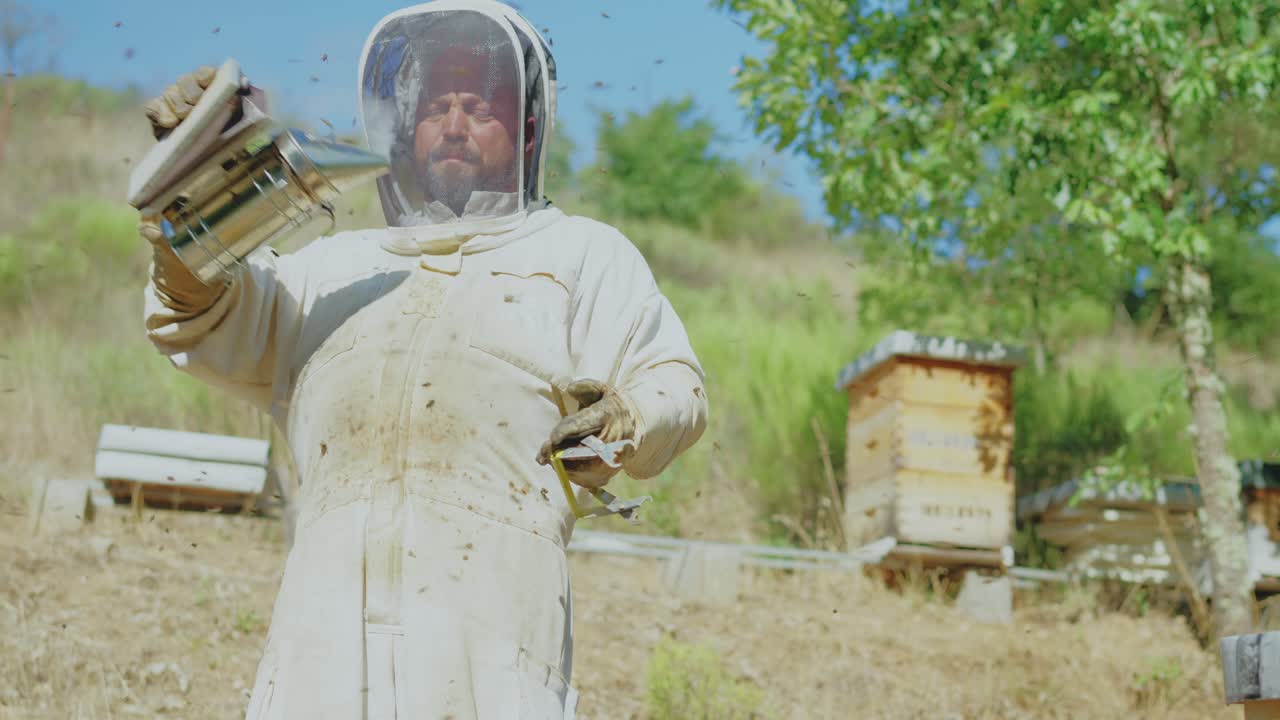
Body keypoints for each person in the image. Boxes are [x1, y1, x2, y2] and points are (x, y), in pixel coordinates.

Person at [137, 2, 709, 718]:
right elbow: (198, 312)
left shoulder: (581, 254)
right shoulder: (330, 267)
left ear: (528, 129)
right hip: (322, 631)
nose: (456, 122)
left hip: (490, 633)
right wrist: (193, 183)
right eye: (437, 104)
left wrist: (625, 417)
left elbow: (674, 386)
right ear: (405, 128)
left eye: (481, 106)